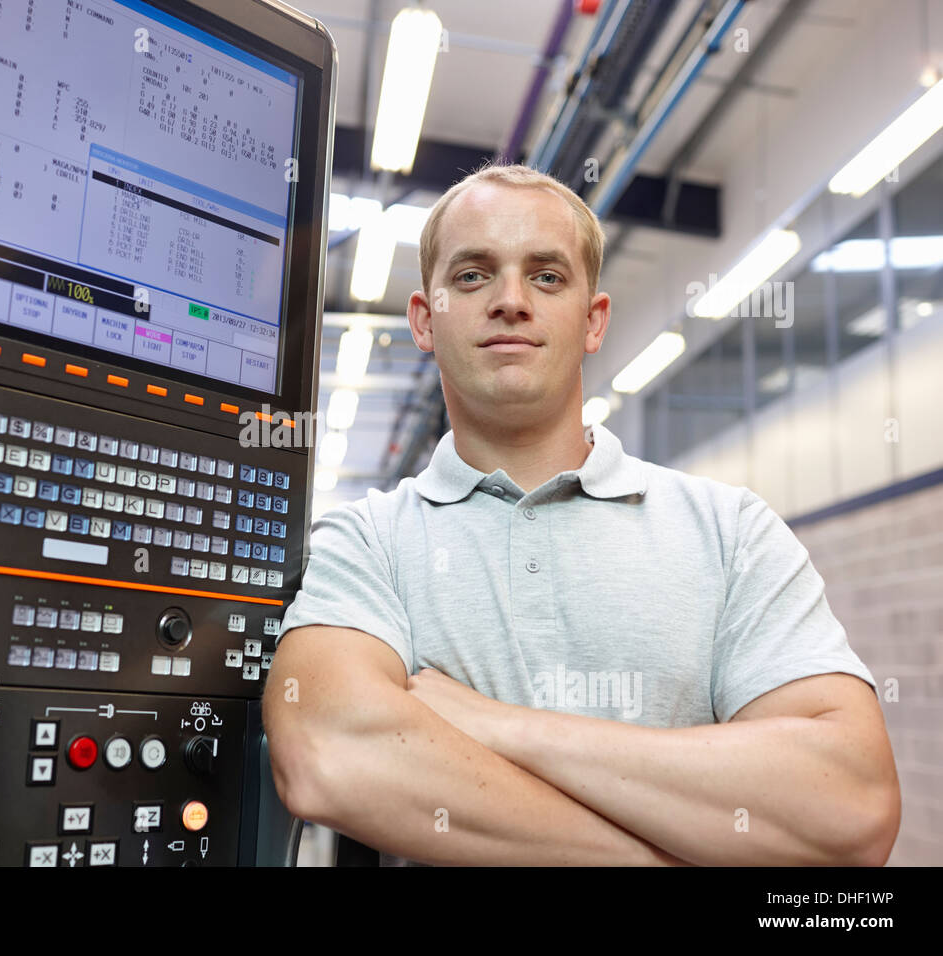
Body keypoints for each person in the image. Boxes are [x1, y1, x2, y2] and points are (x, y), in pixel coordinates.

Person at [262, 163, 901, 866]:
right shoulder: (366, 542)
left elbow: (851, 801)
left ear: (593, 321)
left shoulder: (731, 533)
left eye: (547, 276)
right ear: (424, 319)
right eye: (473, 276)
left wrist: (503, 728)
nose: (510, 300)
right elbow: (329, 752)